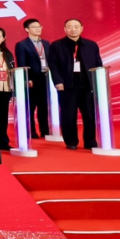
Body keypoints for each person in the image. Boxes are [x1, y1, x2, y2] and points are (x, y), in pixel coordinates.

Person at [48, 19, 103, 150]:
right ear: (65, 29)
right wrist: (58, 81)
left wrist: (98, 82)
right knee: (69, 115)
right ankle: (71, 141)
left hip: (88, 86)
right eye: (70, 27)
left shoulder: (91, 45)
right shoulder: (57, 45)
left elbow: (98, 64)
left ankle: (90, 141)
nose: (73, 29)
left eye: (76, 26)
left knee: (90, 115)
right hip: (67, 86)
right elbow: (53, 65)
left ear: (82, 28)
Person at [15, 18, 51, 138]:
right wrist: (27, 78)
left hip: (46, 77)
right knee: (31, 106)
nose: (38, 29)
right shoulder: (22, 45)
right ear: (27, 29)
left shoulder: (46, 43)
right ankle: (31, 131)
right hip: (32, 79)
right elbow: (22, 63)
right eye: (34, 27)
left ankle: (45, 130)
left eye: (39, 26)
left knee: (44, 106)